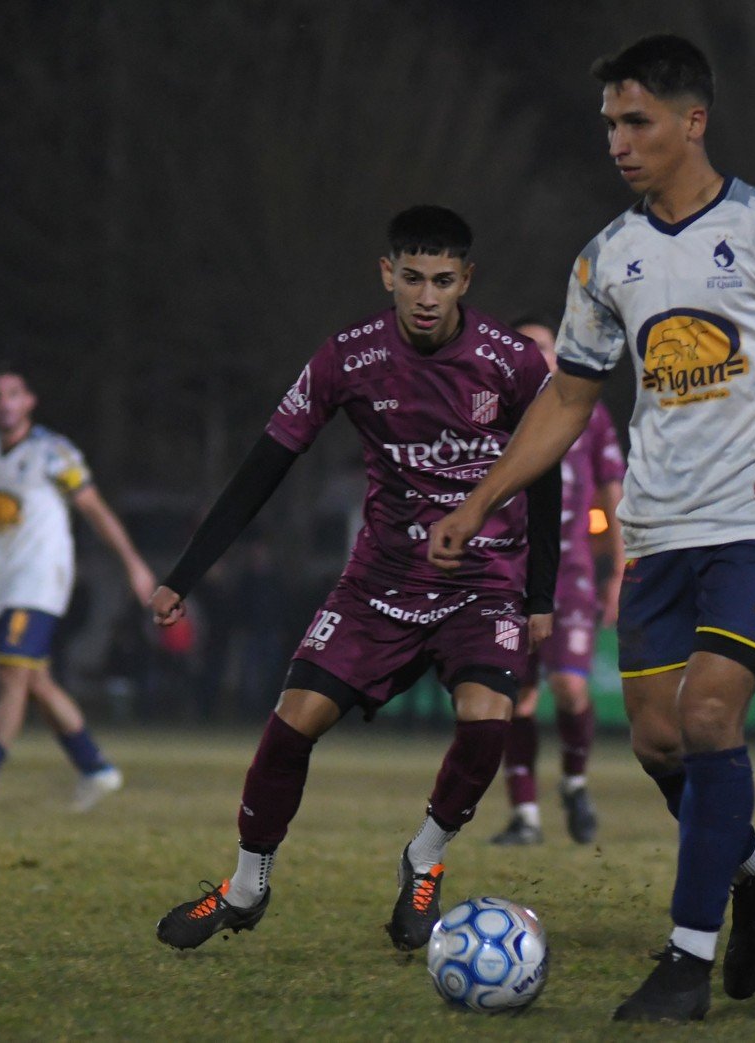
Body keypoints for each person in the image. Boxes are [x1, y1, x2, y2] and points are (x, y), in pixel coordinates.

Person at [429, 35, 755, 1022]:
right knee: (657, 737)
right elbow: (566, 398)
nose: (619, 143)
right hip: (659, 523)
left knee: (712, 714)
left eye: (636, 122)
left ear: (692, 120)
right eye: (609, 126)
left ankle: (685, 959)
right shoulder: (607, 257)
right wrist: (479, 499)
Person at [151, 205, 560, 953]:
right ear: (387, 275)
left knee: (486, 721)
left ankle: (425, 856)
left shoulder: (513, 362)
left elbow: (545, 473)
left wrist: (539, 594)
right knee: (290, 725)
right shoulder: (348, 358)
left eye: (442, 279)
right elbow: (266, 465)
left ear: (466, 279)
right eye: (412, 278)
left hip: (484, 582)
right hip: (380, 581)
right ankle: (245, 886)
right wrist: (186, 572)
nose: (427, 295)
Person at [0, 364, 155, 810]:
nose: (4, 402)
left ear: (28, 401)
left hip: (41, 578)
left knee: (9, 675)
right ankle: (95, 767)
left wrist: (133, 563)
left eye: (13, 394)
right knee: (34, 679)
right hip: (8, 582)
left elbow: (94, 508)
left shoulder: (52, 451)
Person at [490, 316, 625, 847]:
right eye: (523, 347)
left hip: (568, 575)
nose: (534, 354)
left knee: (570, 687)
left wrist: (619, 568)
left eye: (542, 346)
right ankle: (525, 818)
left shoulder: (586, 411)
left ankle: (574, 782)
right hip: (508, 575)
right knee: (513, 699)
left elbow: (613, 493)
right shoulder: (496, 414)